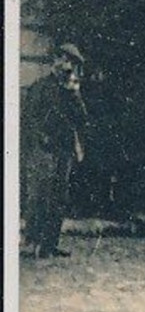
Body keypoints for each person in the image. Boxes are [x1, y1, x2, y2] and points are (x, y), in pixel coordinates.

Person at [20, 43, 89, 259]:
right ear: (55, 61)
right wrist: (40, 140)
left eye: (71, 63)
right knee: (39, 195)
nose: (67, 66)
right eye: (64, 61)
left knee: (59, 197)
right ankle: (31, 241)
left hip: (63, 150)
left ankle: (50, 243)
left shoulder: (69, 91)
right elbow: (29, 119)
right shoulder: (40, 87)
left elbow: (82, 120)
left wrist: (75, 94)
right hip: (42, 150)